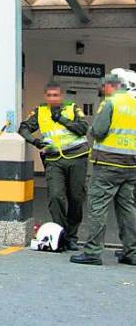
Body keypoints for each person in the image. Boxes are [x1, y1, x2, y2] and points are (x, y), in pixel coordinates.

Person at [71, 74, 136, 266]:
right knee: (128, 208)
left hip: (108, 164)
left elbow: (98, 131)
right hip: (131, 164)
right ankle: (132, 252)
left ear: (111, 86)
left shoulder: (110, 103)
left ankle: (93, 251)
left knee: (97, 206)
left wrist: (91, 131)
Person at [19, 81, 89, 251]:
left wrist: (62, 119)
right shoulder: (40, 111)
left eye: (56, 95)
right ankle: (61, 234)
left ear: (61, 96)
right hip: (54, 160)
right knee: (56, 196)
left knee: (76, 198)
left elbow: (83, 128)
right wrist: (35, 141)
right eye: (49, 95)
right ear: (45, 96)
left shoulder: (72, 108)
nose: (52, 98)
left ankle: (72, 236)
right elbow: (24, 128)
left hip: (76, 156)